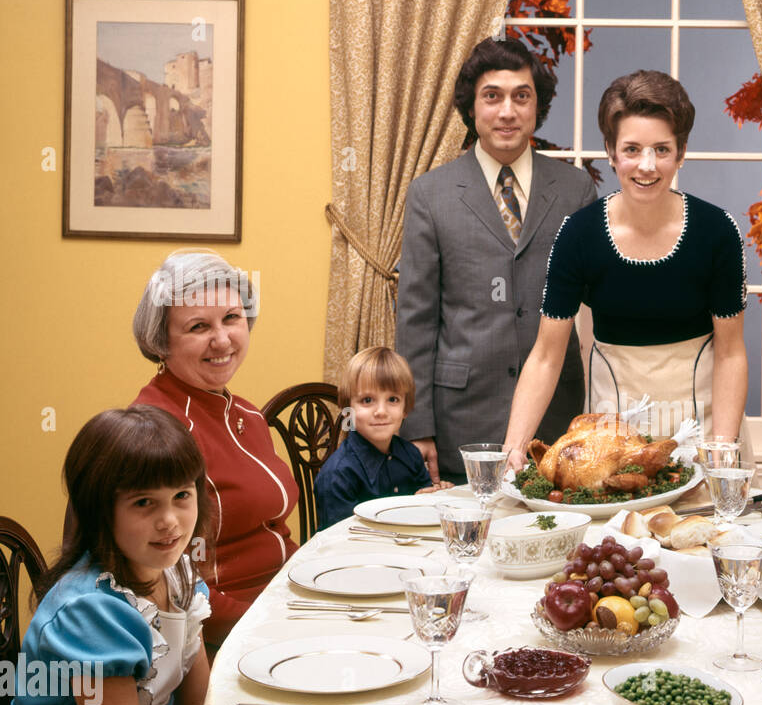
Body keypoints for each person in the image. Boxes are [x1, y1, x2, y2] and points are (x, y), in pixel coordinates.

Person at [4, 407, 213, 705]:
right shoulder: (89, 617)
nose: (170, 521)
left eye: (182, 495)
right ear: (101, 509)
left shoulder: (174, 573)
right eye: (144, 502)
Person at [503, 69, 749, 469]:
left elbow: (730, 353)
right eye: (632, 149)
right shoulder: (578, 235)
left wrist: (721, 450)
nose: (646, 166)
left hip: (706, 432)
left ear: (681, 152)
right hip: (609, 441)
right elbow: (546, 356)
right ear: (611, 151)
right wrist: (512, 448)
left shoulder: (717, 232)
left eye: (662, 150)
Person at [396, 36, 596, 486]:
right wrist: (417, 427)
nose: (507, 111)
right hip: (461, 424)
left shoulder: (574, 191)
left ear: (536, 107)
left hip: (557, 421)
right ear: (471, 108)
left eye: (521, 96)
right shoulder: (430, 194)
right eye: (493, 96)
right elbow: (415, 319)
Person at [132, 249, 298, 649]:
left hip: (281, 604)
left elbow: (274, 530)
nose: (222, 339)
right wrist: (275, 623)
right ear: (161, 342)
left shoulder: (246, 413)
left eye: (231, 318)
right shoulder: (158, 430)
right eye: (197, 326)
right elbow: (173, 585)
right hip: (218, 637)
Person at [314, 346, 450, 527]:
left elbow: (422, 507)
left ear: (406, 408)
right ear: (348, 409)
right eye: (367, 400)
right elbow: (341, 541)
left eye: (392, 400)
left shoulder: (411, 454)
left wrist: (437, 498)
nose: (381, 412)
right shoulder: (338, 475)